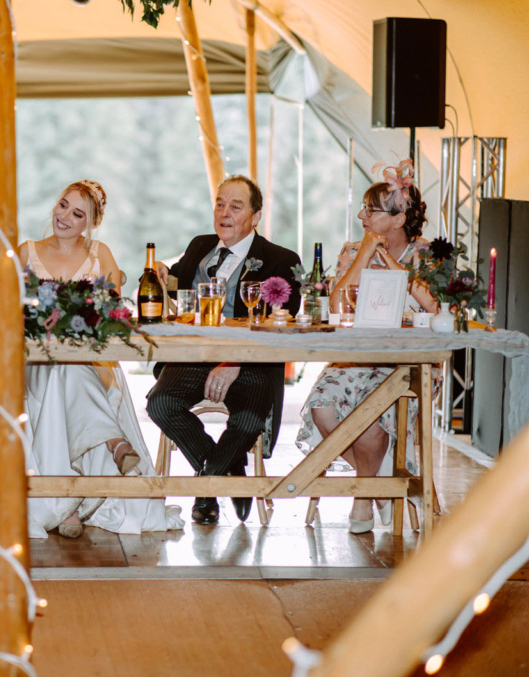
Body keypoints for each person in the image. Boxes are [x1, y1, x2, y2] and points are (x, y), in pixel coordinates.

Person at [0, 180, 184, 538]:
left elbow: (113, 314)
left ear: (90, 223)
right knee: (61, 373)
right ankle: (112, 447)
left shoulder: (101, 255)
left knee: (70, 371)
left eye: (77, 213)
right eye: (63, 205)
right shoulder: (26, 251)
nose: (65, 216)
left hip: (91, 362)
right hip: (35, 363)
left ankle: (67, 506)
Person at [146, 175, 301, 525]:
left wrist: (235, 361)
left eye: (236, 205)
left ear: (255, 216)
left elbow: (284, 325)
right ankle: (231, 471)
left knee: (248, 419)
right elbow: (179, 284)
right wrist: (162, 275)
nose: (224, 212)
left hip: (250, 364)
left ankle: (206, 488)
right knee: (160, 403)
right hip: (193, 358)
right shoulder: (201, 245)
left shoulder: (280, 260)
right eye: (219, 203)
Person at [296, 160, 438, 534]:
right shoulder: (351, 249)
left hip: (408, 363)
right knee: (323, 408)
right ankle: (380, 486)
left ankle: (363, 499)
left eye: (371, 210)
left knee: (369, 415)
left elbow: (434, 309)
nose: (361, 214)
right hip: (355, 358)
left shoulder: (426, 255)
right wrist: (362, 256)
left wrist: (388, 261)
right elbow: (336, 306)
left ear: (398, 219)